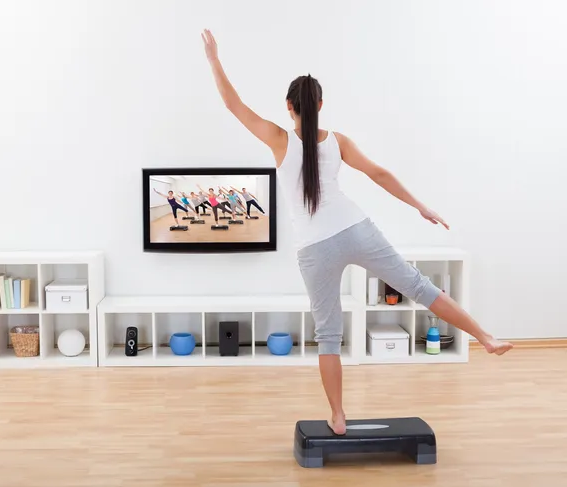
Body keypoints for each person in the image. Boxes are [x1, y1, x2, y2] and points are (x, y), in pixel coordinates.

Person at [201, 29, 513, 435]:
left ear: (290, 107)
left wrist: (213, 58)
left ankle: (338, 415)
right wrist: (419, 205)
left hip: (313, 249)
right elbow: (379, 173)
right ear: (321, 105)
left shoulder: (279, 139)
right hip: (355, 228)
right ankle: (485, 337)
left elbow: (233, 104)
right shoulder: (339, 141)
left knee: (328, 334)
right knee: (418, 286)